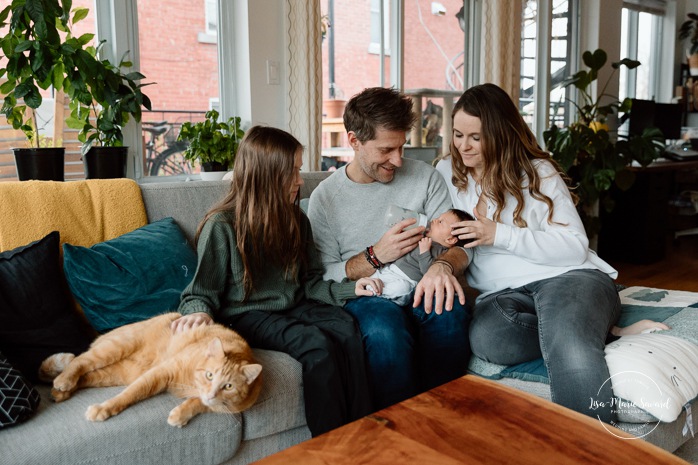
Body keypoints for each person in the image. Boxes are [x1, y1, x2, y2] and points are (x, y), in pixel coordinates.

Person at [434, 82, 631, 423]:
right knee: (488, 338)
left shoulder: (537, 173)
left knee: (569, 342)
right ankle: (585, 328)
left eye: (475, 138)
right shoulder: (446, 174)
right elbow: (448, 240)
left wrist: (500, 234)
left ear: (498, 134)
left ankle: (591, 452)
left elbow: (574, 247)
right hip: (505, 296)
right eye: (457, 134)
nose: (463, 146)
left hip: (568, 278)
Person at [171, 125, 379, 437]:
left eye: (299, 169)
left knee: (347, 327)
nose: (300, 180)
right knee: (317, 345)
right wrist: (198, 313)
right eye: (292, 172)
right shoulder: (222, 226)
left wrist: (351, 288)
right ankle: (331, 445)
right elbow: (201, 292)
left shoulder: (296, 220)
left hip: (294, 304)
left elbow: (309, 282)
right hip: (245, 314)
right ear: (265, 175)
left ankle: (364, 432)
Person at [307, 87, 471, 410]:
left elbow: (461, 245)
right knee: (385, 333)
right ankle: (399, 433)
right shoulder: (325, 200)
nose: (398, 160)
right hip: (369, 295)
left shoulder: (425, 178)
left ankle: (442, 420)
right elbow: (324, 274)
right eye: (386, 149)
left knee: (451, 312)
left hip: (424, 279)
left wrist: (442, 266)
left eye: (401, 146)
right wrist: (375, 256)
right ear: (354, 141)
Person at [367, 209, 474, 306]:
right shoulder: (422, 236)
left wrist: (424, 252)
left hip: (405, 279)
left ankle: (379, 293)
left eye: (441, 222)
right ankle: (372, 286)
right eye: (438, 217)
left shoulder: (442, 252)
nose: (435, 220)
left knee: (402, 288)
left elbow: (429, 273)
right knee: (375, 277)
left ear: (450, 239)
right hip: (389, 270)